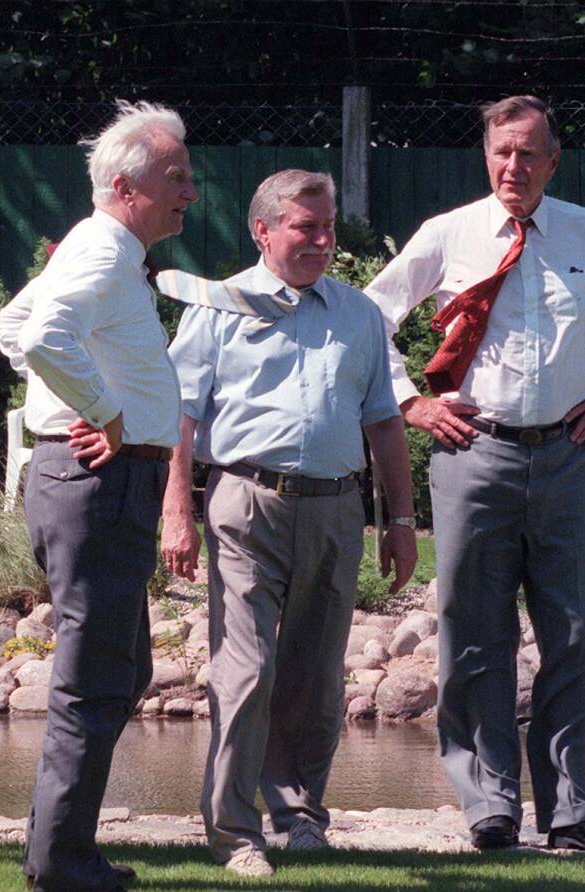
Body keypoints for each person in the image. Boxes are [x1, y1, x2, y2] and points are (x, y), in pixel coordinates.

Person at [364, 95, 585, 855]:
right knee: (473, 634)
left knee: (569, 634)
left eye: (530, 153)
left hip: (568, 452)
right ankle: (488, 807)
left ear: (553, 160)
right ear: (486, 155)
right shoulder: (449, 235)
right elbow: (370, 315)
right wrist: (411, 403)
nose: (515, 167)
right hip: (475, 453)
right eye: (503, 152)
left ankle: (570, 809)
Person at [159, 169, 418, 878]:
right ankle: (235, 833)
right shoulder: (219, 309)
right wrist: (176, 509)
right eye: (307, 227)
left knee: (314, 675)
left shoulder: (359, 314)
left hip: (337, 508)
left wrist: (401, 518)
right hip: (245, 503)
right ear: (264, 230)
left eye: (327, 226)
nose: (323, 240)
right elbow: (179, 414)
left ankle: (301, 816)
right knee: (246, 670)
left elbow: (385, 419)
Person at [0, 100, 197, 892]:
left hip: (97, 482)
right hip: (101, 483)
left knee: (121, 665)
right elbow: (38, 336)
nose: (190, 192)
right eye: (176, 179)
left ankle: (60, 851)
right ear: (125, 187)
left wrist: (69, 404)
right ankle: (62, 864)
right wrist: (101, 411)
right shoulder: (106, 251)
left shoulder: (99, 248)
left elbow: (16, 323)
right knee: (97, 676)